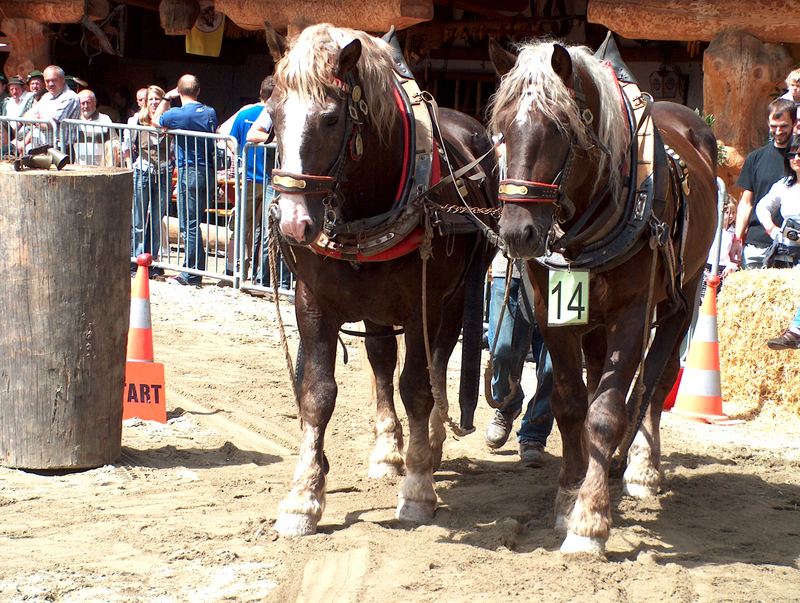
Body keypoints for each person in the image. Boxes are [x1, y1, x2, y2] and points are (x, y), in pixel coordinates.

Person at [484, 254, 554, 467]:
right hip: (509, 268)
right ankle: (508, 404)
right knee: (501, 351)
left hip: (561, 270)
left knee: (554, 365)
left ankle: (535, 431)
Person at [153, 74, 218, 286]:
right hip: (207, 172)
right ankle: (195, 270)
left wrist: (165, 99)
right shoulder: (210, 112)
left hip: (188, 171)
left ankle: (190, 274)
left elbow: (155, 121)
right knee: (195, 223)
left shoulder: (176, 114)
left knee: (188, 225)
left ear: (179, 92)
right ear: (198, 91)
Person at [730, 98, 797, 270]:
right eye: (773, 126)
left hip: (792, 249)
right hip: (757, 245)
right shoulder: (755, 158)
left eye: (783, 126)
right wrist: (738, 238)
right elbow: (746, 203)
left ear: (794, 123)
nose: (778, 131)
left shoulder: (796, 159)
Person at [224, 76, 275, 283]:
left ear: (260, 93)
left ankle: (236, 271)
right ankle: (260, 275)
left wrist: (238, 158)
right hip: (269, 177)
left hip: (250, 177)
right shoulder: (274, 114)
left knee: (243, 226)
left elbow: (228, 137)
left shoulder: (245, 113)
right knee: (266, 230)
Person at [130, 85, 171, 278]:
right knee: (138, 218)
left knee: (156, 219)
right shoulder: (138, 119)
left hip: (163, 171)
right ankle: (136, 259)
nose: (154, 103)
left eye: (158, 99)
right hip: (143, 170)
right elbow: (131, 144)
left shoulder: (168, 120)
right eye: (151, 99)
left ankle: (151, 260)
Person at [755, 137, 800, 268]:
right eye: (792, 155)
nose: (796, 159)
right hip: (786, 254)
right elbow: (762, 207)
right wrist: (772, 229)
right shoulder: (783, 185)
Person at [18, 65, 79, 151]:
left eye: (54, 80)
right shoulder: (46, 96)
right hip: (39, 148)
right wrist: (38, 119)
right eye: (47, 81)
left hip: (59, 151)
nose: (50, 84)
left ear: (62, 80)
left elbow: (48, 124)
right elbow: (25, 116)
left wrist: (34, 119)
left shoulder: (70, 97)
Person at [72, 89, 119, 166]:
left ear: (95, 103)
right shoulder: (74, 120)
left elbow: (114, 141)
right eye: (82, 103)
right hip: (79, 167)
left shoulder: (104, 119)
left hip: (100, 167)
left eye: (88, 102)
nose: (85, 106)